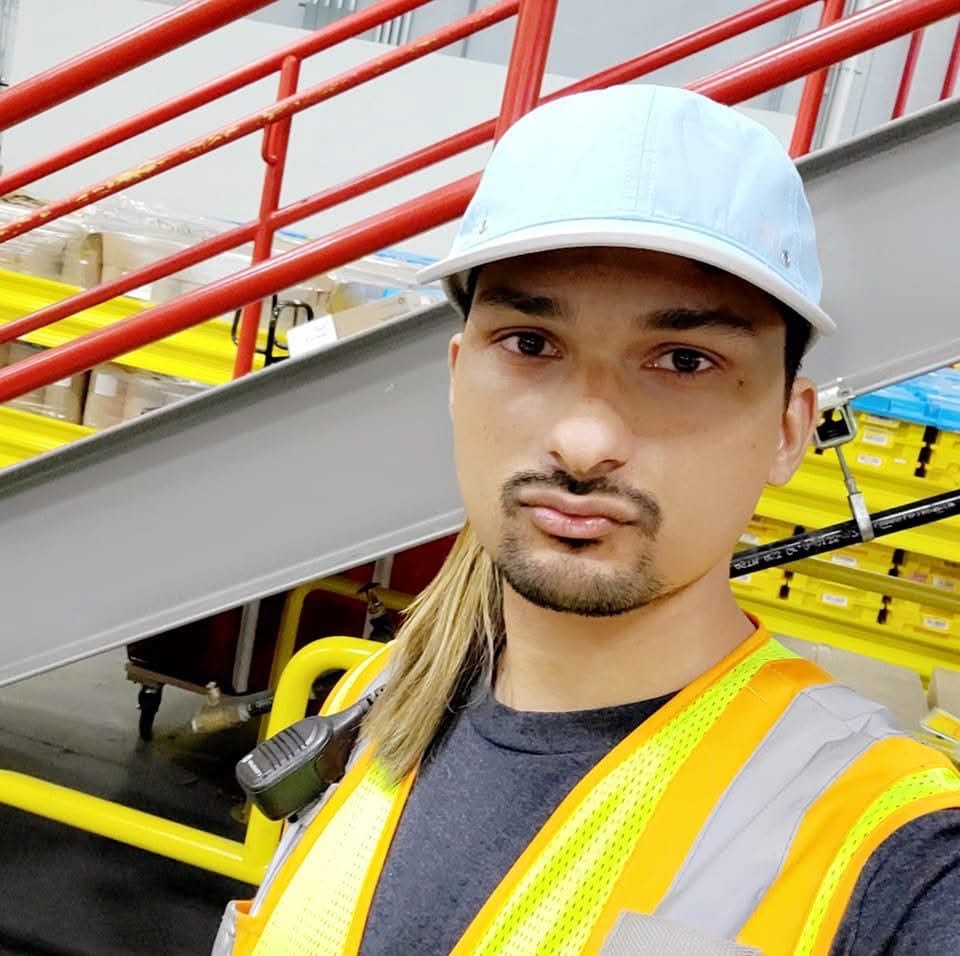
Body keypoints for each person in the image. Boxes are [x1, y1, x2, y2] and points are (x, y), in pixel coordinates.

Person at [216, 85, 960, 956]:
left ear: (789, 431)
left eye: (684, 361)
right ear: (456, 377)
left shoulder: (888, 852)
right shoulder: (371, 708)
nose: (584, 441)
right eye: (531, 345)